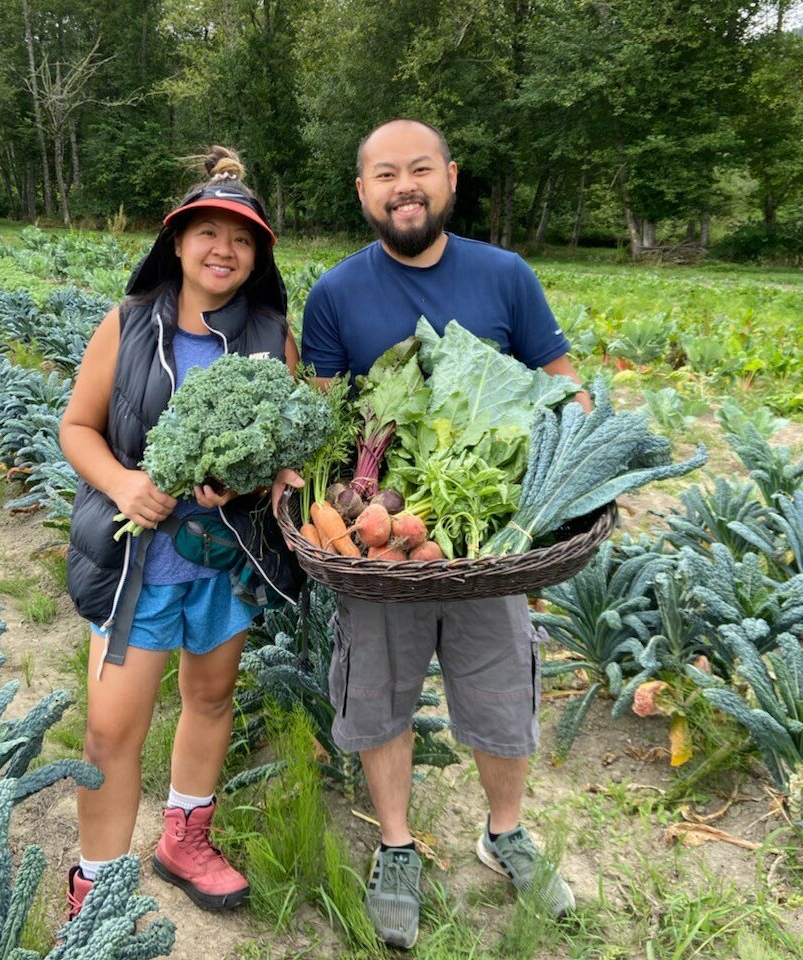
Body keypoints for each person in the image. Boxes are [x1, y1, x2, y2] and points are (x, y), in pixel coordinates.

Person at [299, 118, 587, 948]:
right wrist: (322, 496)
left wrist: (577, 462)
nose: (404, 186)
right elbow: (321, 412)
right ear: (363, 192)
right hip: (378, 548)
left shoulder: (506, 276)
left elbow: (564, 386)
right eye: (385, 174)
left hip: (484, 545)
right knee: (380, 690)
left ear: (450, 178)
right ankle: (396, 844)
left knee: (501, 688)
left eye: (420, 169)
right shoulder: (336, 294)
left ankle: (505, 835)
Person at [60, 146, 301, 917]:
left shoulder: (272, 337)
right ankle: (95, 886)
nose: (222, 249)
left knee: (211, 696)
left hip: (225, 560)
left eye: (241, 238)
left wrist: (257, 478)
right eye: (207, 232)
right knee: (108, 731)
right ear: (177, 242)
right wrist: (125, 482)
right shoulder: (129, 324)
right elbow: (76, 428)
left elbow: (291, 448)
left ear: (257, 253)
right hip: (139, 565)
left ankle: (182, 840)